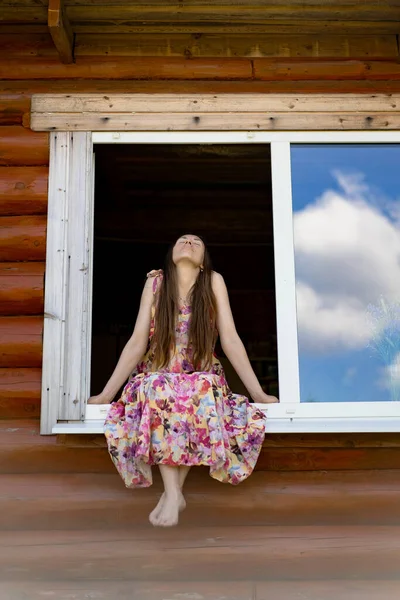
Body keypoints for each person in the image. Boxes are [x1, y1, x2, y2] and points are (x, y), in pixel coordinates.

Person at [88, 234, 279, 527]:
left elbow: (229, 338)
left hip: (200, 375)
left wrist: (258, 393)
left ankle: (172, 494)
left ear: (203, 263)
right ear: (170, 254)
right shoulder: (155, 283)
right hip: (157, 374)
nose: (188, 242)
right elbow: (137, 341)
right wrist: (105, 395)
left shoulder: (214, 281)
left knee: (198, 387)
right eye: (182, 240)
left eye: (196, 242)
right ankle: (174, 492)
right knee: (161, 386)